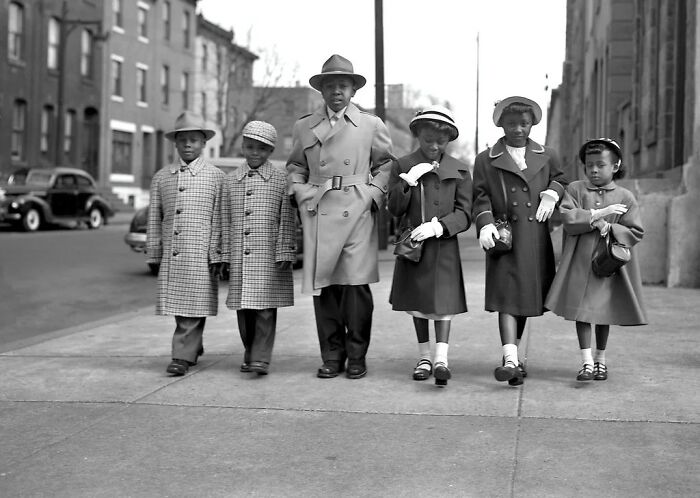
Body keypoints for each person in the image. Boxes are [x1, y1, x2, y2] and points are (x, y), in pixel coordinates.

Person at [287, 54, 394, 379]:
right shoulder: (304, 126)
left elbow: (386, 165)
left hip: (357, 210)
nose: (337, 91)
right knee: (327, 288)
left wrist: (371, 195)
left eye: (343, 85)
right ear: (322, 90)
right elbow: (295, 166)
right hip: (320, 209)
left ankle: (357, 355)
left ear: (353, 91)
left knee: (356, 288)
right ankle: (332, 355)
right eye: (331, 85)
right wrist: (301, 192)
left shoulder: (371, 124)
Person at [472, 96, 568, 386]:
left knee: (524, 298)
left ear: (532, 124)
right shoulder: (485, 159)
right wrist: (485, 223)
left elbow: (562, 178)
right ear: (501, 124)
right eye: (512, 123)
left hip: (534, 237)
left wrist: (553, 193)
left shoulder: (548, 154)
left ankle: (512, 359)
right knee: (507, 298)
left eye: (523, 123)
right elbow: (480, 195)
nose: (518, 129)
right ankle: (510, 358)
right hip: (505, 237)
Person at [545, 138, 647, 381]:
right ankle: (586, 362)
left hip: (609, 265)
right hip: (581, 264)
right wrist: (595, 217)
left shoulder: (625, 196)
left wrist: (610, 229)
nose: (593, 170)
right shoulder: (576, 190)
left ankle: (601, 359)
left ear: (615, 166)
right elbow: (568, 218)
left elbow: (635, 231)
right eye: (589, 165)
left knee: (603, 312)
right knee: (582, 312)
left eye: (600, 165)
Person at [387, 106, 472, 387]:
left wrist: (440, 226)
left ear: (448, 141)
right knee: (418, 303)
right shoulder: (402, 164)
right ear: (417, 137)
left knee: (443, 304)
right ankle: (424, 357)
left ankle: (441, 359)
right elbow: (395, 208)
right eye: (427, 140)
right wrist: (408, 181)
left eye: (441, 141)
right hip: (415, 246)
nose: (434, 146)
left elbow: (465, 212)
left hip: (444, 246)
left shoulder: (460, 169)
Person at [146, 111, 225, 376]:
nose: (188, 145)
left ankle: (181, 355)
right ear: (176, 144)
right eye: (183, 140)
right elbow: (154, 217)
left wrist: (217, 254)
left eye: (194, 140)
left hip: (200, 252)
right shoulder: (162, 177)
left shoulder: (215, 177)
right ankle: (192, 346)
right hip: (173, 252)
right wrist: (154, 251)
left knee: (193, 304)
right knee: (184, 306)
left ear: (204, 143)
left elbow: (219, 219)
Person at [220, 121, 296, 376]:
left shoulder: (280, 181)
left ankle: (261, 357)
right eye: (250, 147)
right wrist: (221, 254)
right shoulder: (230, 182)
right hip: (239, 253)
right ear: (243, 146)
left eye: (262, 149)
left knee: (264, 307)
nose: (255, 153)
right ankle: (250, 351)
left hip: (267, 255)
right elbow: (223, 219)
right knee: (245, 309)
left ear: (270, 151)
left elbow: (286, 219)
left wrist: (285, 250)